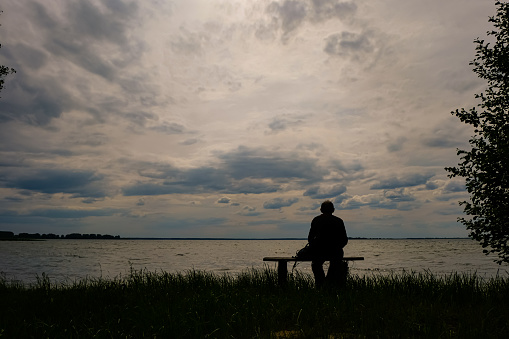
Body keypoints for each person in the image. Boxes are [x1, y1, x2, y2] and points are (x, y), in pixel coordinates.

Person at [308, 200, 348, 287]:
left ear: (321, 210)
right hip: (335, 252)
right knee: (335, 265)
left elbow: (310, 238)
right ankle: (328, 281)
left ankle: (321, 282)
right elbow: (344, 240)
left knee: (316, 265)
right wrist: (337, 247)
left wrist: (314, 247)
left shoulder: (316, 220)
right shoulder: (338, 221)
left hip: (319, 251)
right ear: (333, 210)